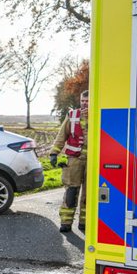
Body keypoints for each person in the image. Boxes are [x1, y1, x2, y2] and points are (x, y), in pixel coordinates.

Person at [49, 90, 89, 233]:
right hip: (74, 160)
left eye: (88, 101)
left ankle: (85, 223)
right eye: (83, 101)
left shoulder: (99, 115)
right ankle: (66, 222)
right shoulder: (72, 115)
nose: (85, 104)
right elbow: (62, 135)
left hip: (94, 162)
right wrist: (54, 152)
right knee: (71, 191)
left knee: (89, 194)